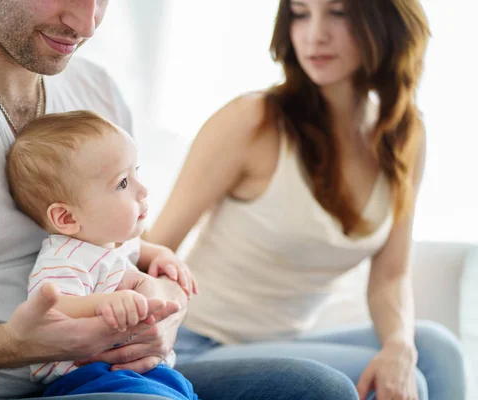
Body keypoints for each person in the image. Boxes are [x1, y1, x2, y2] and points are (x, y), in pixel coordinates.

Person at [0, 0, 361, 399]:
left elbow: (127, 244)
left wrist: (166, 312)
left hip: (124, 368)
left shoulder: (96, 89)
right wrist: (8, 344)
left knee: (320, 390)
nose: (85, 23)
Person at [147, 0, 467, 399]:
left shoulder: (404, 135)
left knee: (434, 348)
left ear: (384, 21)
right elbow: (154, 247)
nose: (315, 34)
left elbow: (390, 275)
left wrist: (399, 345)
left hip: (283, 346)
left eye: (339, 12)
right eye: (300, 13)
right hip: (195, 345)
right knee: (403, 383)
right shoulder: (253, 120)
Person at [6, 110, 197, 399]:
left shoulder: (116, 242)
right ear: (66, 218)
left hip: (143, 371)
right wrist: (105, 303)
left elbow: (143, 250)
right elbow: (53, 309)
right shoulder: (64, 258)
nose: (143, 190)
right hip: (87, 378)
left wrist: (163, 255)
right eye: (122, 183)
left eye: (137, 173)